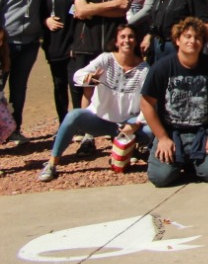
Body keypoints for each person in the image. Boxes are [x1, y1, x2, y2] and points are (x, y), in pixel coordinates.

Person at [37, 23, 150, 182]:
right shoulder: (106, 59)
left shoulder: (144, 70)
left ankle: (132, 152)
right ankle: (52, 163)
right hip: (101, 119)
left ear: (136, 41)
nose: (127, 40)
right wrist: (88, 79)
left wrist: (137, 124)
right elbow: (78, 76)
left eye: (131, 37)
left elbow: (149, 103)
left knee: (151, 130)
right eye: (123, 37)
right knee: (74, 116)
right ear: (116, 41)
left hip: (127, 123)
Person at [139, 17, 208, 186]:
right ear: (177, 39)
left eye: (197, 37)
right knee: (161, 178)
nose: (192, 41)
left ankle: (191, 163)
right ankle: (178, 161)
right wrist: (162, 138)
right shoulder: (161, 68)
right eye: (187, 36)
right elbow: (146, 103)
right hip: (171, 132)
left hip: (201, 132)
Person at [69, 0, 130, 120]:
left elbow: (123, 9)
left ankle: (113, 126)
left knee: (115, 87)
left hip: (113, 44)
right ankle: (87, 131)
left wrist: (91, 8)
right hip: (87, 43)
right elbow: (80, 10)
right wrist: (113, 4)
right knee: (89, 88)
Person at [39, 0, 77, 125]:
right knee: (59, 85)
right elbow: (38, 13)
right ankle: (64, 122)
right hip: (52, 43)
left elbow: (76, 10)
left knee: (75, 84)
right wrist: (46, 20)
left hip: (70, 41)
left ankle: (78, 122)